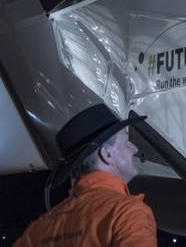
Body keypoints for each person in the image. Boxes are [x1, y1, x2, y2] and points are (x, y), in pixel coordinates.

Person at [13, 104, 157, 247]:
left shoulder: (38, 229)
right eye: (127, 142)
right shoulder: (126, 213)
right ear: (107, 153)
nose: (135, 149)